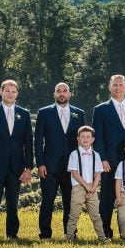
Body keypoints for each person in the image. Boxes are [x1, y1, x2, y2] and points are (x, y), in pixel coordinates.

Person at [92, 74, 125, 239]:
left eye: (120, 85)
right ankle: (106, 232)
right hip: (110, 161)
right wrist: (102, 159)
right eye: (114, 85)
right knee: (108, 196)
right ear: (109, 87)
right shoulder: (100, 109)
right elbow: (98, 136)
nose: (118, 87)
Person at [0, 79, 33, 240]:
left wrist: (29, 168)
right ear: (1, 92)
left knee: (13, 202)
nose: (10, 94)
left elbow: (28, 142)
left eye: (13, 91)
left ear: (17, 94)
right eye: (7, 90)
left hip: (16, 167)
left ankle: (12, 234)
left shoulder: (24, 114)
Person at [34, 82, 85, 239]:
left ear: (70, 94)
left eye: (65, 91)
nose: (62, 94)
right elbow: (37, 141)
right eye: (58, 91)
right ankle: (45, 233)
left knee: (70, 201)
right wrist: (40, 163)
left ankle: (70, 233)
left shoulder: (79, 113)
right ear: (54, 94)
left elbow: (83, 141)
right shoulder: (44, 113)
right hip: (49, 166)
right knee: (47, 200)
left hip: (72, 167)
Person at [65, 126, 106, 242]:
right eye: (82, 136)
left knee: (95, 215)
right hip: (79, 187)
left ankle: (102, 237)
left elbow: (98, 173)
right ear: (78, 139)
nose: (85, 139)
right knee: (74, 214)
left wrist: (92, 188)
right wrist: (86, 187)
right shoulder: (74, 154)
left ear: (93, 139)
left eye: (88, 137)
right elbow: (74, 172)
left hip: (92, 187)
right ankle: (69, 237)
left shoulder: (96, 155)